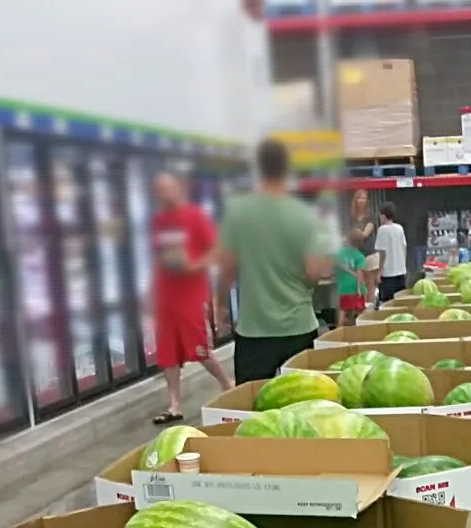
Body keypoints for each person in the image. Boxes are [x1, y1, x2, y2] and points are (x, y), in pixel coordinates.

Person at [216, 139, 332, 385]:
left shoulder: (237, 212)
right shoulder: (305, 215)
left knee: (253, 408)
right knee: (302, 402)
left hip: (254, 330)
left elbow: (226, 267)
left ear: (258, 168)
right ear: (287, 170)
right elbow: (314, 271)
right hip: (298, 327)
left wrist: (220, 306)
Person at [150, 172, 231, 423]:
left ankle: (227, 383)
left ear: (178, 189)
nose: (165, 194)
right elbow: (157, 256)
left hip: (191, 295)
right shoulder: (158, 221)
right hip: (165, 295)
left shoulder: (194, 216)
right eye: (160, 190)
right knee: (167, 352)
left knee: (200, 348)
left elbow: (217, 248)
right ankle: (174, 404)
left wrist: (195, 266)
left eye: (169, 188)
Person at [335, 226, 370, 325]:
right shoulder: (359, 256)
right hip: (355, 287)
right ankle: (361, 327)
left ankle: (339, 328)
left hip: (343, 287)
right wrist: (359, 287)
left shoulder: (340, 253)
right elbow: (359, 272)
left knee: (343, 309)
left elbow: (336, 263)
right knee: (360, 310)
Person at [374, 202, 408, 301]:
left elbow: (382, 253)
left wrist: (379, 272)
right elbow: (404, 247)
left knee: (388, 302)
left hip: (388, 273)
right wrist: (403, 265)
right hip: (401, 271)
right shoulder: (399, 228)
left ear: (383, 216)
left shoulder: (382, 230)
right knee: (400, 300)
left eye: (380, 216)